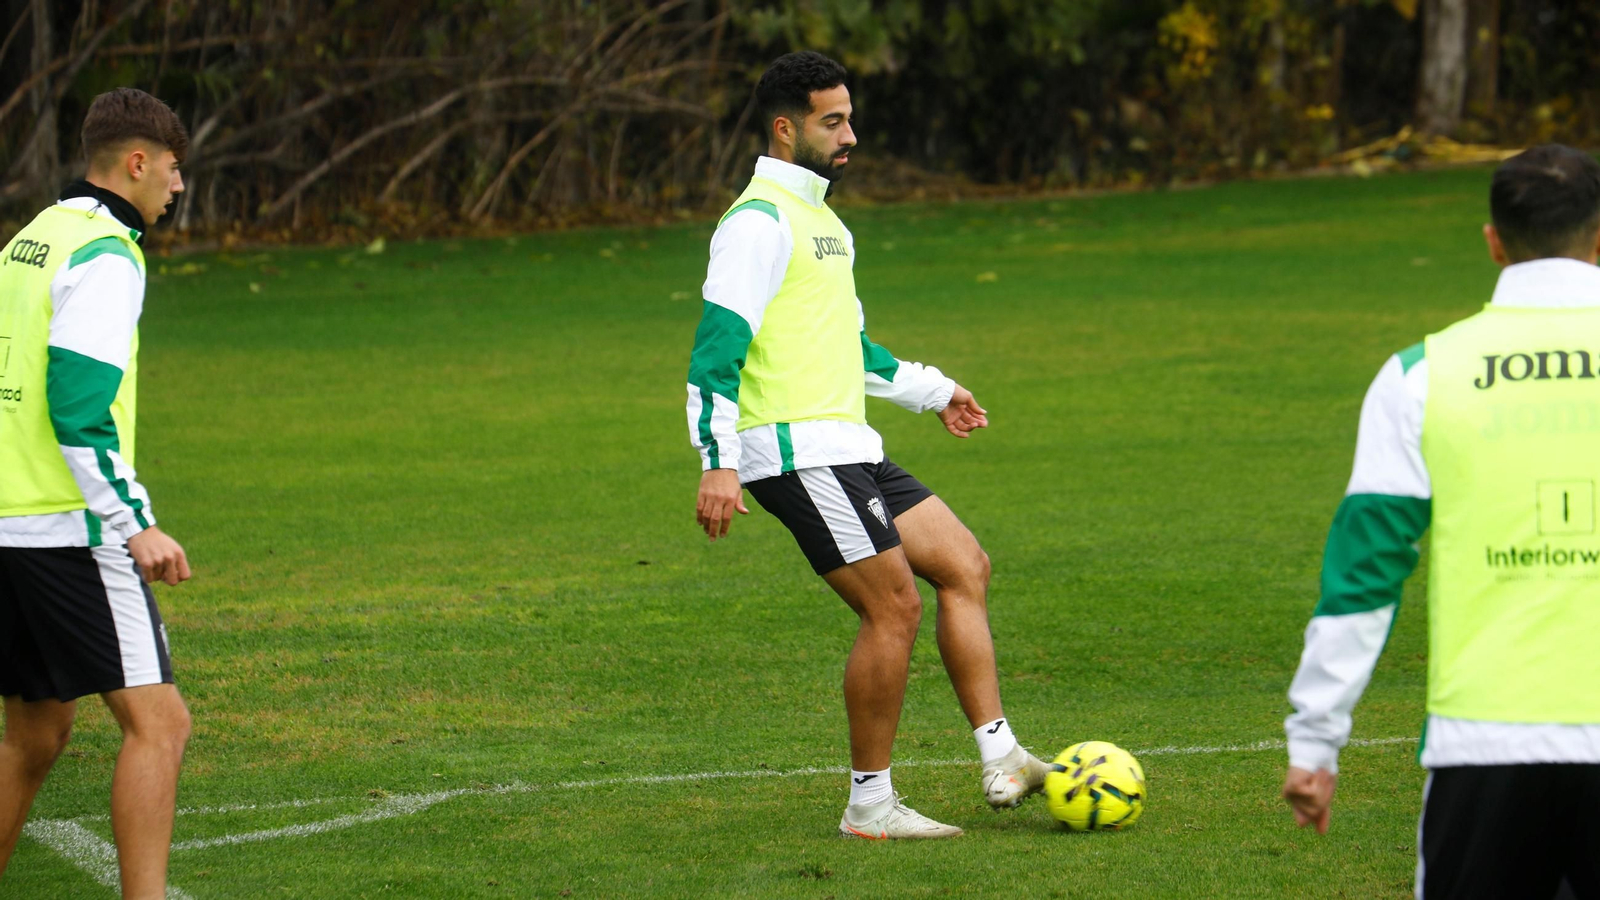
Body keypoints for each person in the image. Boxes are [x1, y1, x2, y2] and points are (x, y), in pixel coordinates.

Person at [685, 51, 1049, 840]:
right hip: (794, 450)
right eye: (833, 121)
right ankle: (870, 806)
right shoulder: (757, 224)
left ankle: (1002, 757)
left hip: (848, 441)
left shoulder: (824, 222)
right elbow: (716, 352)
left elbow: (851, 348)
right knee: (893, 607)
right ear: (786, 128)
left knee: (963, 565)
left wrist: (936, 389)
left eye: (850, 117)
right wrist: (715, 462)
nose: (852, 134)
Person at [1283, 144, 1600, 898]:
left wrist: (1315, 739)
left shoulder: (1421, 377)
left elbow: (1363, 573)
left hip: (1483, 749)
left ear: (1492, 242)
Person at [0, 87, 194, 899]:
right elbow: (78, 405)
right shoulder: (108, 255)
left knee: (35, 733)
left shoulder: (30, 241)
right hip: (65, 529)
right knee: (161, 724)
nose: (177, 188)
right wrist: (132, 522)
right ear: (137, 162)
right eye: (174, 170)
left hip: (7, 523)